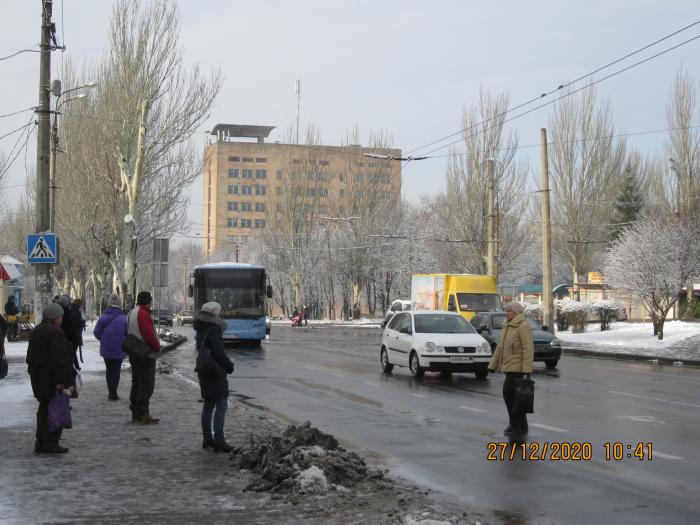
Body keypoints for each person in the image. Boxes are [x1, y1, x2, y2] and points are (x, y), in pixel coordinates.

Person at [25, 303, 75, 453]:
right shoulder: (56, 332)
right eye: (60, 316)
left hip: (39, 377)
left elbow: (30, 356)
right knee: (55, 410)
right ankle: (50, 442)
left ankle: (41, 441)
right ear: (55, 317)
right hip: (51, 378)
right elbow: (59, 359)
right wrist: (61, 381)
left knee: (44, 409)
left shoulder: (37, 330)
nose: (62, 319)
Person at [488, 302, 534, 436]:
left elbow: (528, 349)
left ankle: (517, 425)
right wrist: (492, 365)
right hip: (509, 368)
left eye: (509, 311)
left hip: (518, 369)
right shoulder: (507, 325)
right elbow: (500, 348)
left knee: (514, 398)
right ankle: (518, 425)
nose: (507, 313)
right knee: (512, 398)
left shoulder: (523, 326)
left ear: (516, 313)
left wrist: (527, 371)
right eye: (506, 311)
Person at [194, 302, 234, 452]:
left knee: (208, 405)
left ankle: (207, 438)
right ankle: (219, 440)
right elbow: (218, 353)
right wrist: (229, 366)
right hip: (215, 370)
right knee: (221, 405)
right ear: (214, 314)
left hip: (203, 368)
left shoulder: (200, 328)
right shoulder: (214, 329)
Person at [127, 291, 161, 423]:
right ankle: (141, 413)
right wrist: (157, 347)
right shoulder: (143, 313)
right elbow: (148, 335)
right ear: (148, 301)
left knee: (137, 382)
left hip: (134, 351)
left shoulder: (132, 312)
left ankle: (136, 411)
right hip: (145, 353)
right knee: (146, 384)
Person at [93, 293, 128, 401]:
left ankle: (110, 392)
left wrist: (104, 340)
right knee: (116, 370)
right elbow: (127, 334)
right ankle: (114, 393)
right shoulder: (124, 319)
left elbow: (96, 332)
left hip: (106, 349)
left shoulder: (103, 318)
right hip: (119, 348)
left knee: (109, 370)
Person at [70, 298, 86, 367]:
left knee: (72, 352)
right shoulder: (77, 312)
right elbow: (80, 323)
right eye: (81, 305)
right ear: (79, 305)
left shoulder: (71, 310)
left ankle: (75, 366)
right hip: (75, 335)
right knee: (73, 352)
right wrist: (83, 322)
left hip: (72, 335)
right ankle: (76, 367)